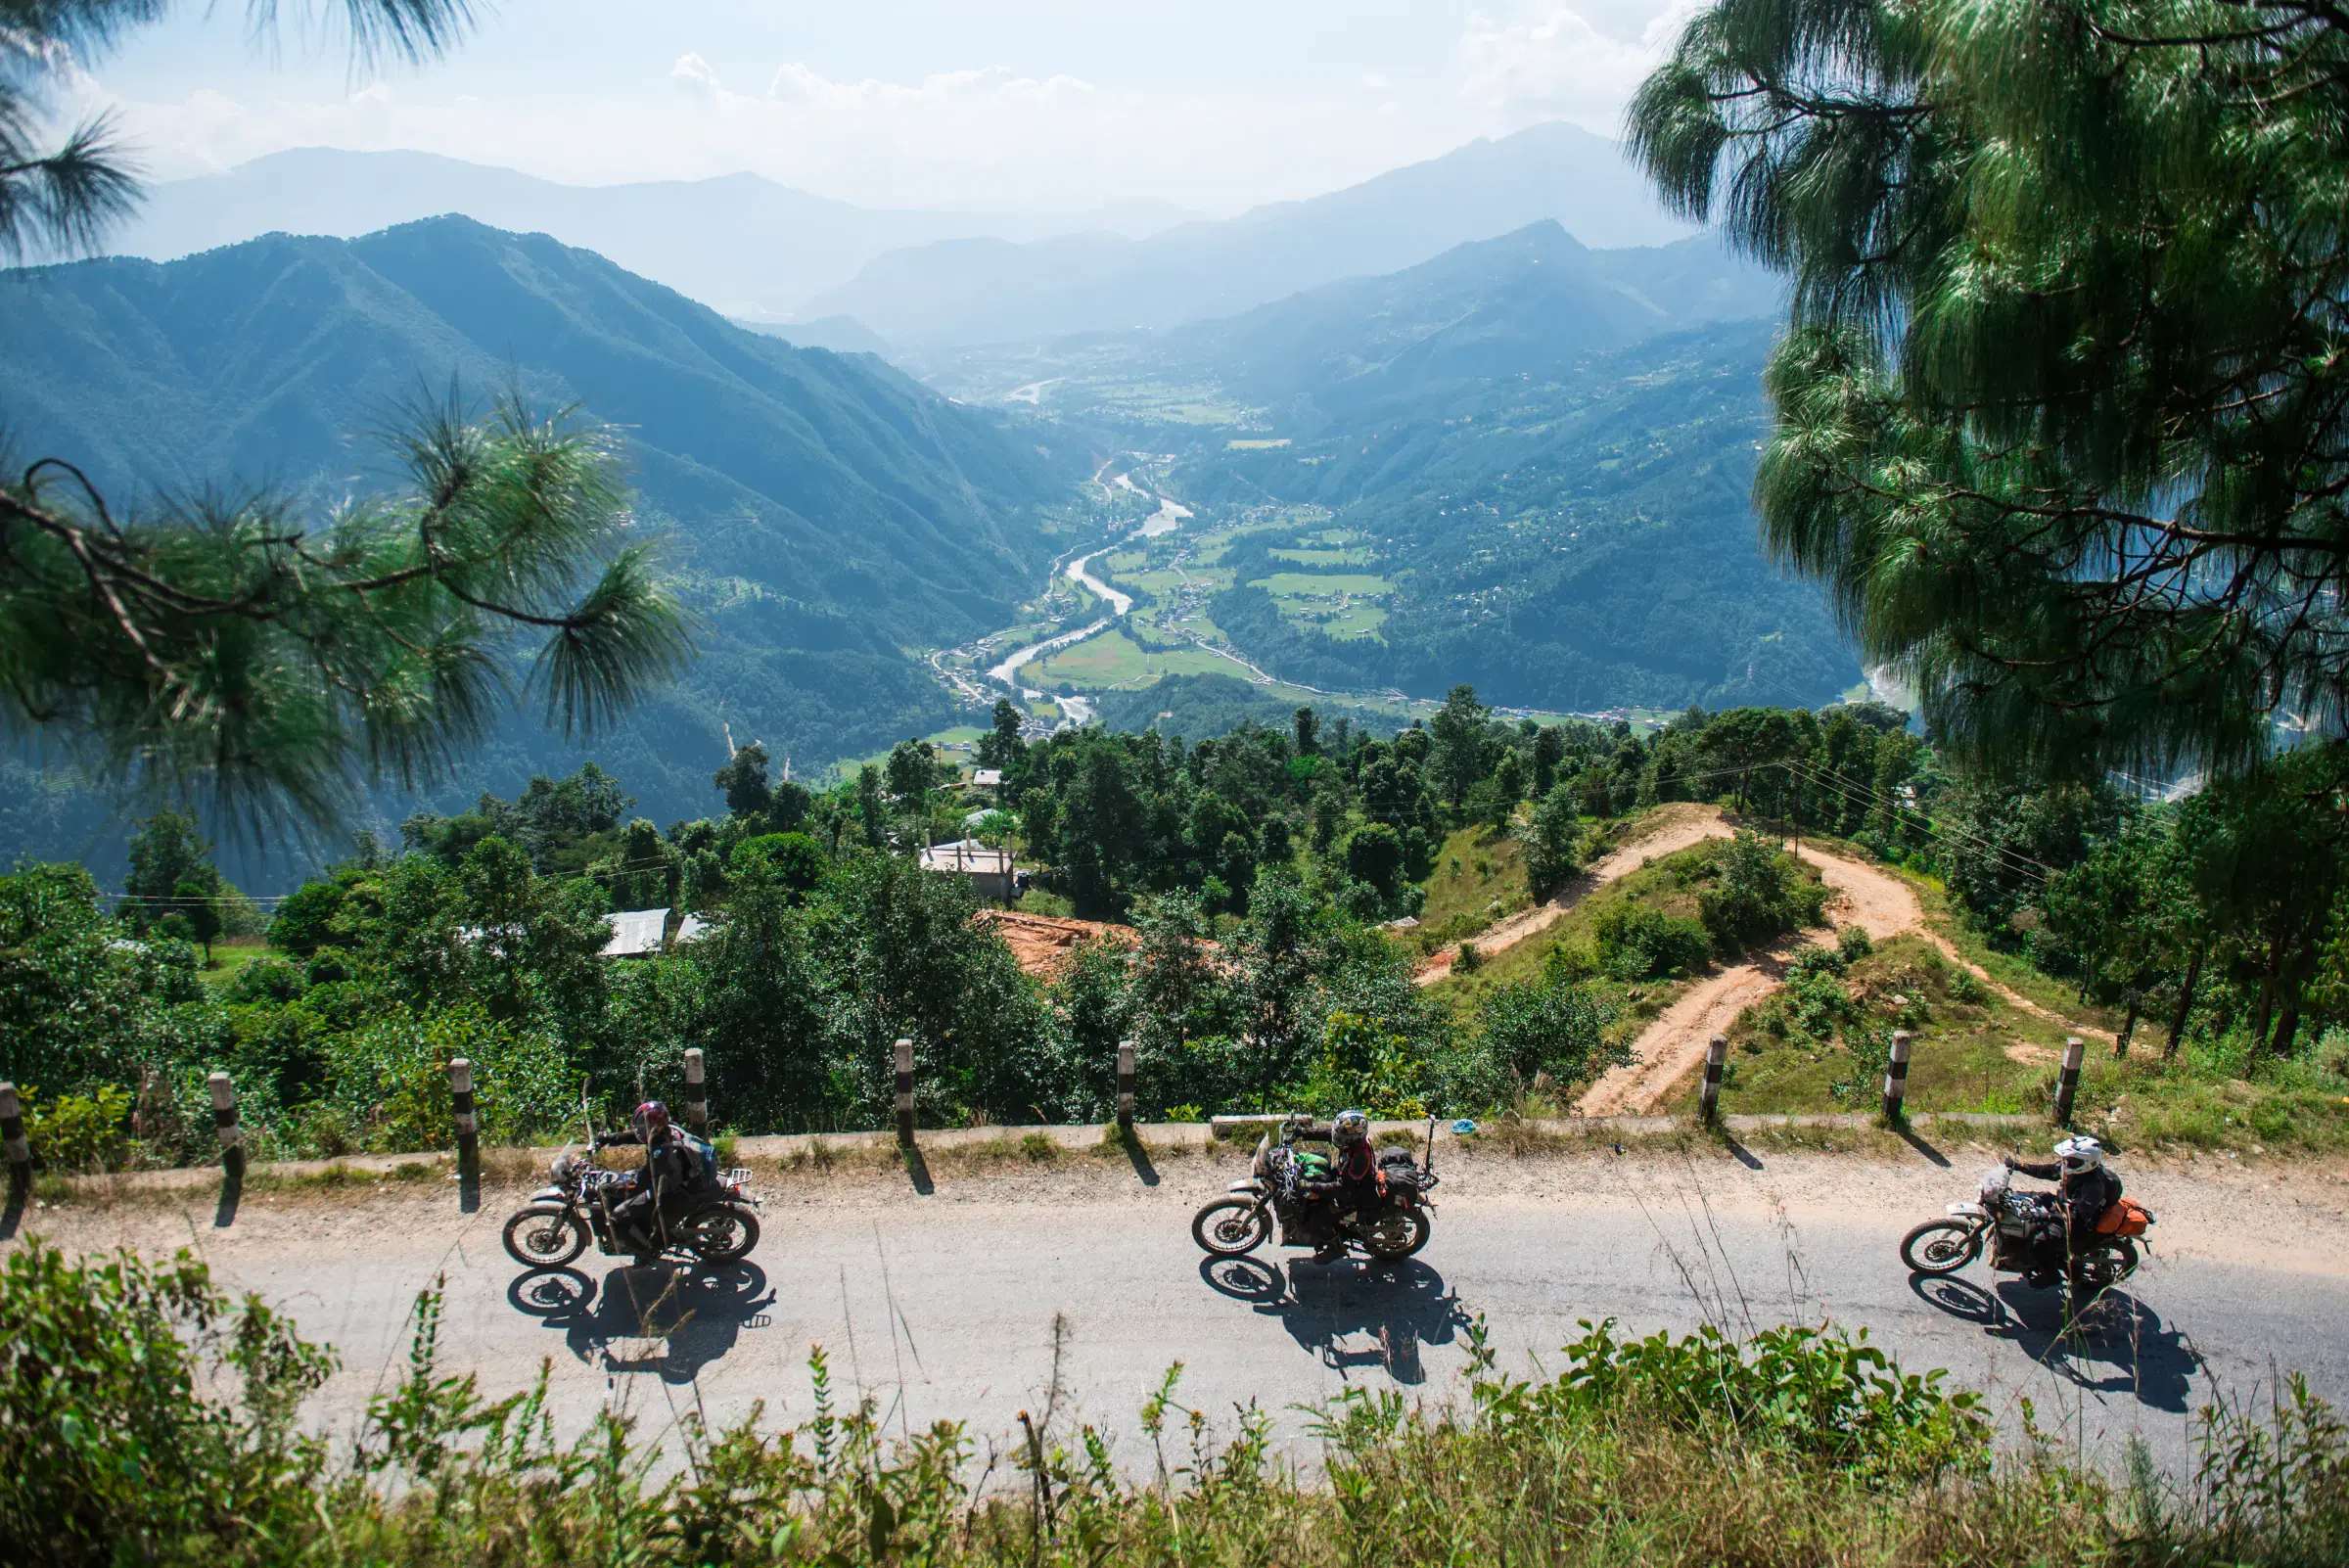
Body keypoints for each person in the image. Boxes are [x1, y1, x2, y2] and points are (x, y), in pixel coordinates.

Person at [2005, 1135, 2121, 1293]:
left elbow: (2075, 1218)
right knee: (2033, 1197)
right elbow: (2048, 1171)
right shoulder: (2075, 1169)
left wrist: (2044, 1216)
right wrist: (2019, 1166)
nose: (2066, 1163)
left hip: (2079, 1223)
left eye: (2071, 1160)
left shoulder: (2093, 1188)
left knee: (2039, 1243)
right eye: (2067, 1159)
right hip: (2066, 1207)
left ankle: (2051, 1276)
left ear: (2086, 1162)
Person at [595, 1100, 711, 1258]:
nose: (640, 1130)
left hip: (674, 1192)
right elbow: (637, 1136)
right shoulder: (668, 1130)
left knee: (617, 1217)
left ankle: (646, 1252)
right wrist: (610, 1138)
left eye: (643, 1125)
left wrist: (611, 1187)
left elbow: (638, 1184)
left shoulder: (662, 1154)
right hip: (675, 1179)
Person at [1300, 1109, 1385, 1265]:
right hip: (1346, 1180)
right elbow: (1330, 1135)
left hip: (1356, 1194)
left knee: (1315, 1215)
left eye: (1341, 1136)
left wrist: (1313, 1186)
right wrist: (1303, 1133)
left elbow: (1341, 1188)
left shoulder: (1360, 1158)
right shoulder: (1353, 1142)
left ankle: (1335, 1246)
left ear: (1351, 1139)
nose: (1337, 1138)